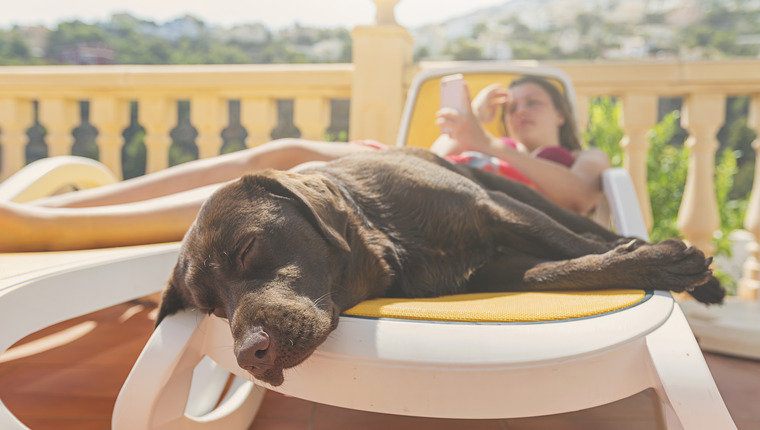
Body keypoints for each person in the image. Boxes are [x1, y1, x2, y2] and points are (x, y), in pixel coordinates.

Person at [0, 75, 609, 252]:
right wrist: (471, 128)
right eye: (516, 104)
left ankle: (51, 230)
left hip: (434, 197)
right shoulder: (482, 142)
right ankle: (49, 206)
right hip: (414, 168)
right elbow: (437, 162)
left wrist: (491, 142)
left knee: (294, 183)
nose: (523, 109)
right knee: (283, 153)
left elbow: (579, 201)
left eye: (536, 102)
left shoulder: (582, 155)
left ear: (561, 114)